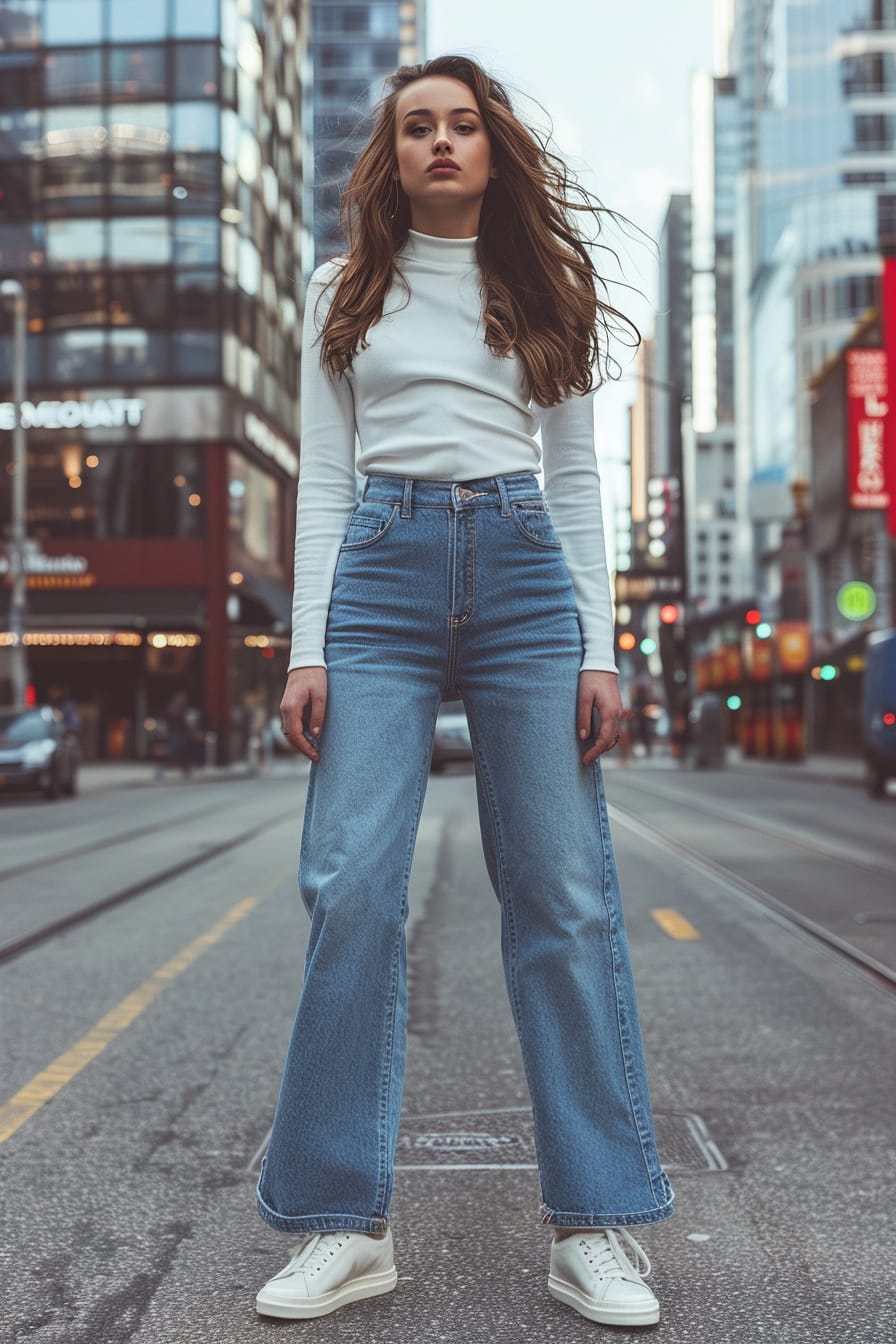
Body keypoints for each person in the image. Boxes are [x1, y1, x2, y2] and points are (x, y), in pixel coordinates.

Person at [255, 55, 674, 1328]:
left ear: (493, 147)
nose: (442, 142)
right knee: (349, 886)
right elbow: (323, 484)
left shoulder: (540, 283)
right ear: (392, 155)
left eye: (463, 124)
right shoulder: (343, 288)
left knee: (560, 894)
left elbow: (581, 482)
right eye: (417, 128)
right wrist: (304, 647)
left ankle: (591, 1222)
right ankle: (342, 1224)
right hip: (375, 578)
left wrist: (601, 649)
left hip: (523, 578)